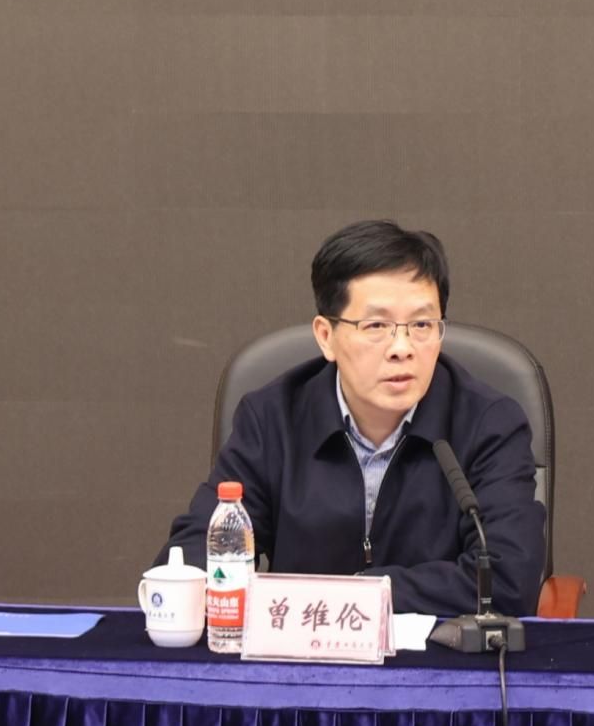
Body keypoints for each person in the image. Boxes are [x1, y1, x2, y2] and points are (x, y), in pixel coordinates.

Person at [155, 220, 545, 617]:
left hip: (439, 653)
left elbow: (508, 579)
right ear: (326, 337)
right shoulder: (273, 418)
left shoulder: (488, 424)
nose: (402, 347)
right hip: (301, 652)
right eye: (376, 326)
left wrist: (360, 595)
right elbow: (197, 554)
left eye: (422, 325)